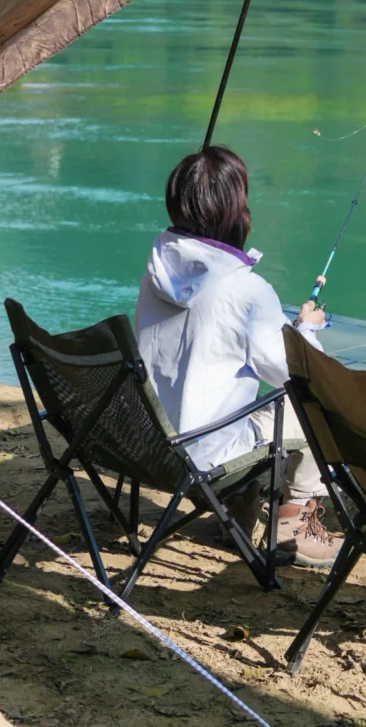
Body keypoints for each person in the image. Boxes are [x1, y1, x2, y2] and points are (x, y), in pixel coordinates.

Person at [134, 145, 343, 568]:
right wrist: (306, 330)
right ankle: (295, 519)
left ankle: (241, 506)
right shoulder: (247, 291)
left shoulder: (156, 273)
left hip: (147, 447)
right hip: (207, 457)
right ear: (234, 209)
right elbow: (296, 373)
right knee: (316, 399)